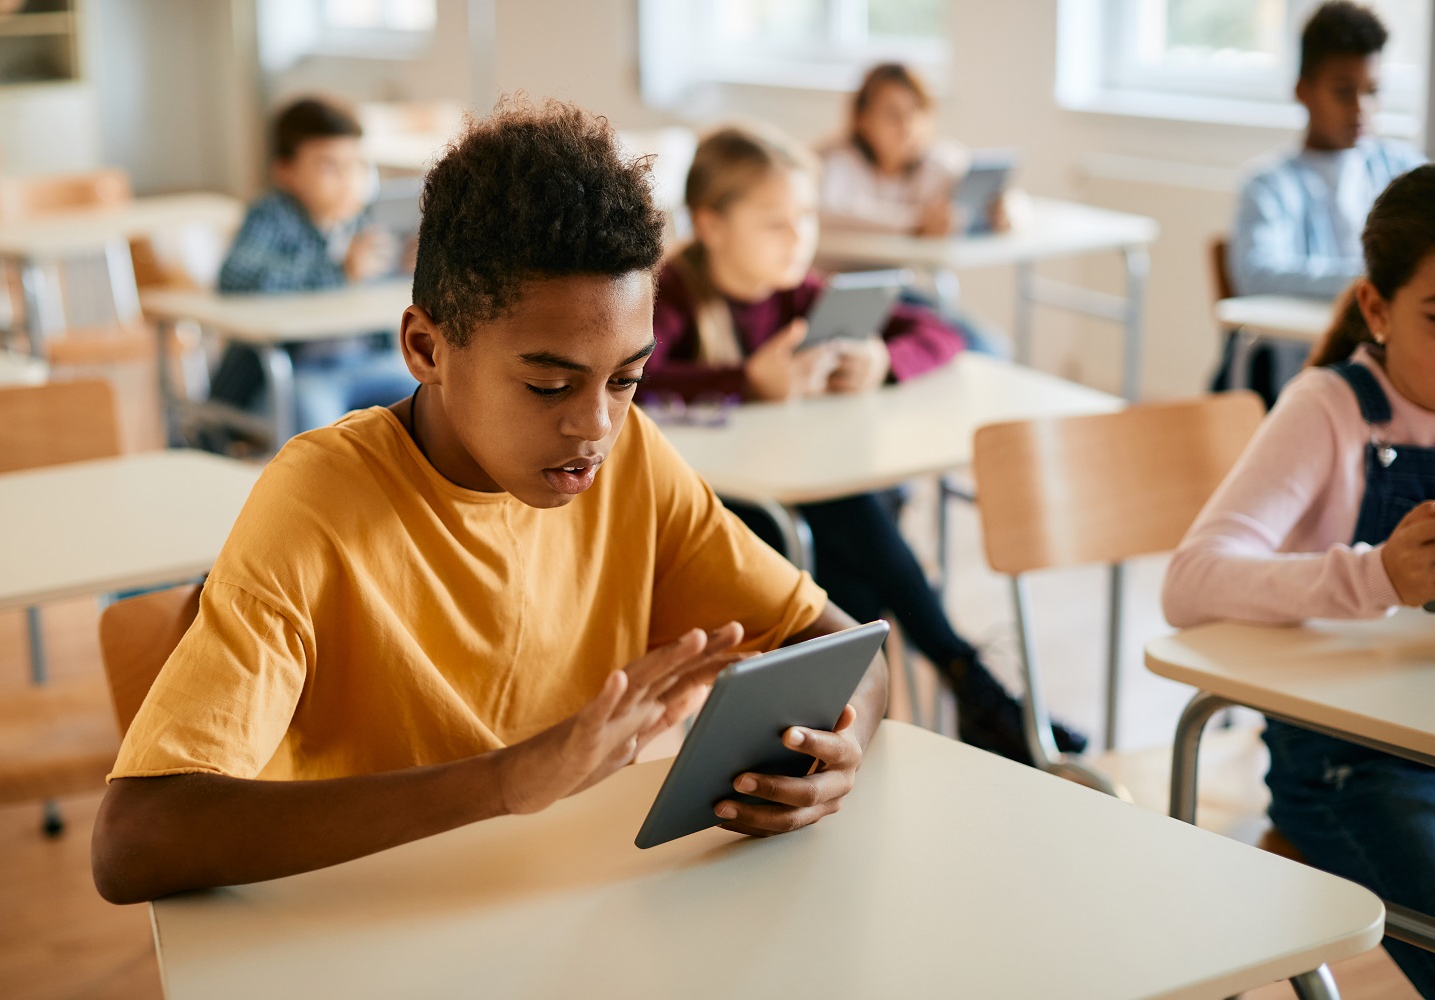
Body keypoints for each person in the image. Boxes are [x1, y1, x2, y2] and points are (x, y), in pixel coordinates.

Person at [91, 99, 888, 905]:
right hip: (361, 921)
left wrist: (833, 746)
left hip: (566, 903)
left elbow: (849, 654)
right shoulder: (319, 501)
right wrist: (509, 781)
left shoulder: (632, 457)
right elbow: (134, 840)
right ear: (425, 348)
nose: (596, 425)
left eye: (626, 378)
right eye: (549, 384)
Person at [647, 125, 1086, 765]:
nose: (799, 237)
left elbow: (938, 330)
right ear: (710, 225)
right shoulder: (670, 295)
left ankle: (871, 722)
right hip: (721, 521)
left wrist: (882, 357)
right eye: (775, 222)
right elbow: (637, 378)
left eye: (806, 217)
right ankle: (967, 683)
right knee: (851, 522)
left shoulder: (800, 294)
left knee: (851, 543)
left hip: (804, 510)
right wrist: (746, 382)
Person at [1165, 165, 1435, 996]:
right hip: (1344, 766)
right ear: (1377, 310)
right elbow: (1192, 583)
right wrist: (1375, 574)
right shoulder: (1329, 408)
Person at [1221, 1, 1425, 406]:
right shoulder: (1269, 184)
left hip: (1393, 375)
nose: (1360, 108)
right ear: (1303, 91)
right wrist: (1367, 281)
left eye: (1372, 91)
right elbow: (1258, 274)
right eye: (1343, 91)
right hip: (1299, 374)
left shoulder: (1404, 171)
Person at [209, 97, 416, 438]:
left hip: (367, 361)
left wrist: (408, 267)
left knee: (430, 396)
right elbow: (236, 276)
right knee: (319, 429)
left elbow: (376, 291)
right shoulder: (272, 216)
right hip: (300, 371)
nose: (347, 179)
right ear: (285, 171)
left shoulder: (367, 219)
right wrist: (336, 269)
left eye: (356, 166)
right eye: (329, 167)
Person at [817, 63, 1008, 237]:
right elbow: (830, 211)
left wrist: (1003, 211)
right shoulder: (839, 161)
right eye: (892, 114)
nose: (906, 126)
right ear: (862, 119)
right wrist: (915, 223)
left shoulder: (939, 161)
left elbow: (994, 195)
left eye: (916, 111)